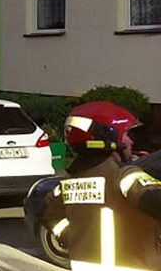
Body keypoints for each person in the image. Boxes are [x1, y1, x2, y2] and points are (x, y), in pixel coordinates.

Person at [45, 102, 161, 270]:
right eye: (126, 134)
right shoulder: (121, 175)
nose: (131, 141)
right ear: (109, 137)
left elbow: (48, 213)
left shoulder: (68, 182)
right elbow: (153, 198)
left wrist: (70, 234)